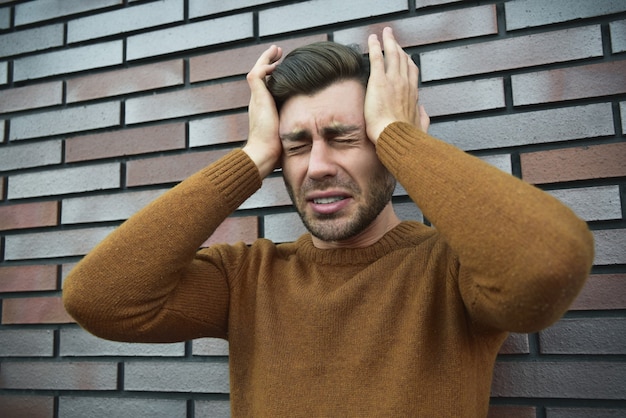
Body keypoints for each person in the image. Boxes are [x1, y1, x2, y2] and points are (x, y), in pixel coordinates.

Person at [63, 28, 594, 416]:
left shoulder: (454, 269)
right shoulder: (248, 277)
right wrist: (250, 155)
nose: (317, 166)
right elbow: (99, 297)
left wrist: (400, 137)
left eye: (345, 137)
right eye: (295, 146)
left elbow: (548, 260)